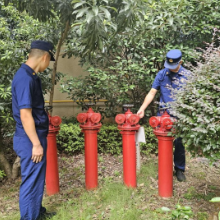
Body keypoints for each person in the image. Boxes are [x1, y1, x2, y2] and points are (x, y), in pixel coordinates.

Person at [12, 40, 56, 220]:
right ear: (45, 57)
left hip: (34, 135)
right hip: (30, 138)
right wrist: (36, 144)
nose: (48, 65)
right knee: (31, 181)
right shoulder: (24, 78)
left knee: (36, 178)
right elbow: (25, 115)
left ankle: (36, 213)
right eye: (49, 61)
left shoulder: (30, 76)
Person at [137, 49, 189, 182]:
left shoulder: (188, 76)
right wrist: (142, 108)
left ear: (180, 62)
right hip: (163, 116)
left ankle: (179, 169)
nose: (170, 69)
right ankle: (164, 169)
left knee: (179, 143)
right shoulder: (162, 74)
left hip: (180, 116)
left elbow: (193, 99)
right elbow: (152, 93)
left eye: (173, 65)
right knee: (163, 143)